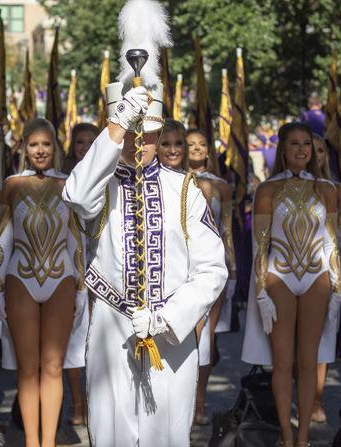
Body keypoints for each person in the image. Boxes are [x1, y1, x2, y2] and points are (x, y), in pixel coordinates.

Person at [63, 72, 228, 444]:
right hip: (111, 325)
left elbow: (212, 269)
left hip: (172, 333)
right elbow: (74, 194)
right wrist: (117, 123)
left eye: (147, 133)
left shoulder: (184, 188)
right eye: (132, 133)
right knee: (111, 434)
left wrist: (166, 318)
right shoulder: (100, 188)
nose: (140, 141)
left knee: (166, 435)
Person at [241, 122, 341, 446]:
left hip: (317, 278)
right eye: (295, 144)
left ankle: (303, 437)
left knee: (308, 360)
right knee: (283, 362)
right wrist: (261, 293)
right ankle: (286, 433)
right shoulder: (267, 190)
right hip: (279, 277)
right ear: (282, 150)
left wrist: (338, 287)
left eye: (307, 145)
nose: (302, 150)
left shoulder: (326, 189)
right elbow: (260, 246)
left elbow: (331, 245)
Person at [0, 118, 84, 447]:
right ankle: (32, 442)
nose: (41, 150)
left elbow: (76, 239)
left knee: (53, 365)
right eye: (34, 145)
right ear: (24, 148)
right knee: (27, 367)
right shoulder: (12, 184)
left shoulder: (69, 183)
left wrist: (82, 287)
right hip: (20, 278)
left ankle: (49, 441)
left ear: (55, 148)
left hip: (61, 278)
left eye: (46, 144)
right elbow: (2, 240)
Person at [184, 126, 237, 425]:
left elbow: (227, 230)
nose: (195, 149)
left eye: (201, 144)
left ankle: (199, 401)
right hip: (178, 268)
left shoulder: (221, 187)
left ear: (208, 150)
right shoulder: (170, 180)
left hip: (211, 268)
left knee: (206, 339)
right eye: (189, 144)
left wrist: (233, 272)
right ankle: (178, 398)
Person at [311, 134, 341, 423]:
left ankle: (315, 399)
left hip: (329, 269)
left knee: (324, 338)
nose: (315, 155)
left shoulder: (337, 189)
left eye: (321, 151)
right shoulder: (279, 187)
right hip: (290, 271)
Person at [61, 122, 99, 426]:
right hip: (71, 268)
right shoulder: (64, 181)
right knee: (75, 340)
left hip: (105, 266)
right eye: (80, 143)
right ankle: (77, 403)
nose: (85, 148)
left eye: (91, 142)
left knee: (103, 339)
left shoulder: (111, 176)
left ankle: (101, 400)